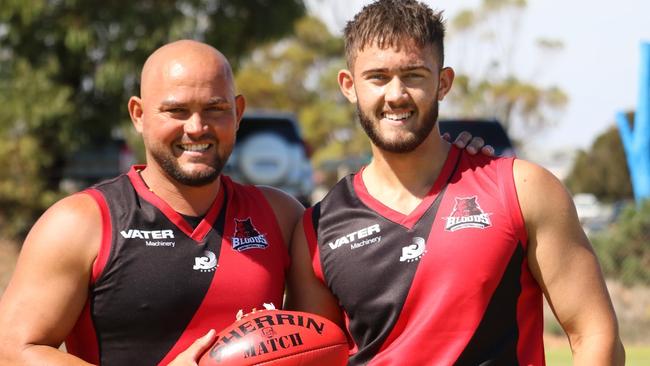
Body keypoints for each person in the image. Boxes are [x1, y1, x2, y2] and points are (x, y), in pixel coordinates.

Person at [0, 40, 490, 365]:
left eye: (214, 109)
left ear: (236, 113)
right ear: (139, 115)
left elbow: (340, 326)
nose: (197, 128)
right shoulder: (82, 222)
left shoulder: (280, 216)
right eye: (176, 111)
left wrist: (460, 166)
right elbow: (15, 347)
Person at [285, 1, 625, 365]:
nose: (396, 94)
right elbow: (312, 356)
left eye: (414, 74)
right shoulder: (317, 230)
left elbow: (594, 334)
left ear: (443, 83)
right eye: (378, 77)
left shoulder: (521, 188)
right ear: (349, 85)